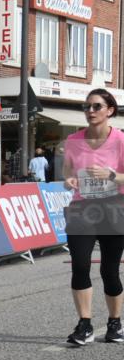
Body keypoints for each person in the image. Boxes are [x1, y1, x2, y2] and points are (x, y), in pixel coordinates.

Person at [63, 89, 124, 346]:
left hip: (113, 208)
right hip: (82, 208)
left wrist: (110, 175)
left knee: (109, 270)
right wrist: (69, 180)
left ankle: (115, 322)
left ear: (110, 110)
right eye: (86, 106)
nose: (90, 111)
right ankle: (85, 324)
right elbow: (67, 175)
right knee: (80, 264)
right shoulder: (73, 140)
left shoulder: (121, 140)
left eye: (96, 106)